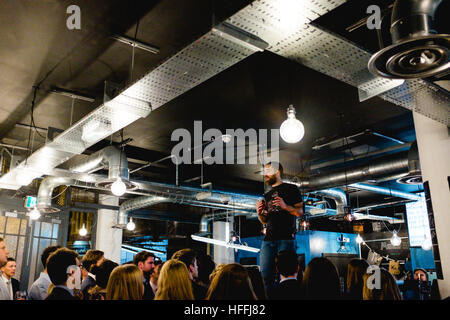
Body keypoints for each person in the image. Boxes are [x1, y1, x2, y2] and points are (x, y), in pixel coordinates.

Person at [256, 162, 304, 294]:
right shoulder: (267, 195)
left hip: (286, 238)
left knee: (288, 277)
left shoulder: (291, 189)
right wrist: (259, 214)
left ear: (277, 171)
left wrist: (285, 206)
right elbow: (265, 221)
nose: (265, 174)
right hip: (268, 240)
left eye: (268, 171)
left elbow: (300, 212)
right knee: (265, 278)